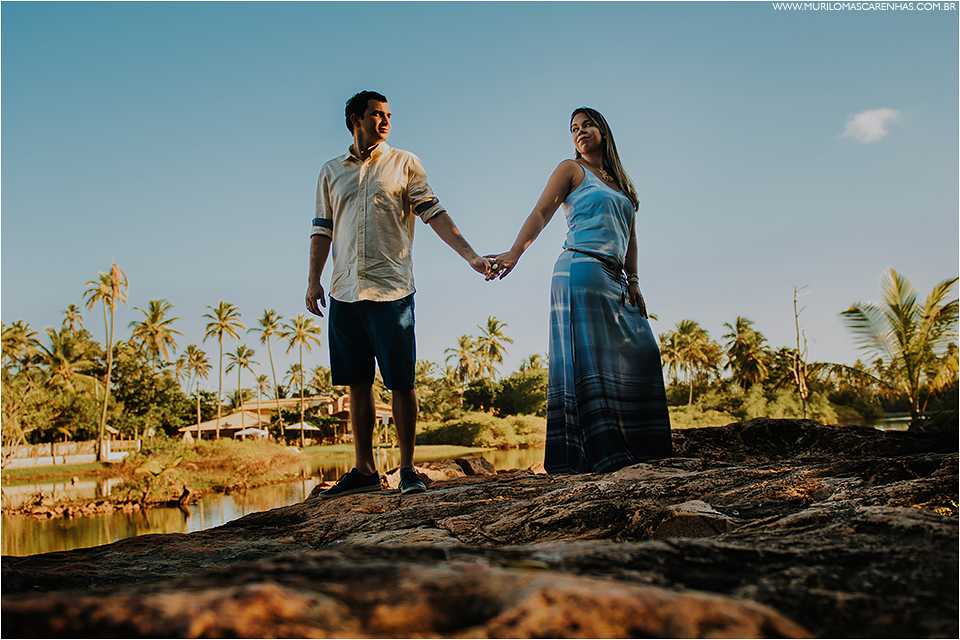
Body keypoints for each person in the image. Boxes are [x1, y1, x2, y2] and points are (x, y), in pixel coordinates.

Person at [306, 91, 491, 497]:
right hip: (344, 290)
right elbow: (322, 228)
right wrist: (312, 280)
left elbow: (433, 212)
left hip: (392, 288)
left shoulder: (405, 163)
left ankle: (407, 469)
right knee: (357, 382)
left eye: (389, 114)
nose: (385, 121)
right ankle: (365, 470)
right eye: (377, 115)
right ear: (355, 120)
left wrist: (471, 256)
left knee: (401, 381)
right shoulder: (330, 171)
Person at [487, 107, 672, 473]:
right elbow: (542, 212)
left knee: (645, 351)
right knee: (586, 361)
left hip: (614, 278)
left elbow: (630, 238)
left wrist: (634, 280)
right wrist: (514, 253)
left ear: (603, 129)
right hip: (579, 269)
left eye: (587, 124)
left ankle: (639, 446)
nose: (580, 131)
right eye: (573, 128)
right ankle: (595, 453)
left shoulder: (623, 185)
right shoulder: (571, 169)